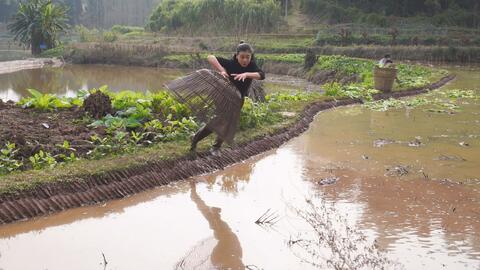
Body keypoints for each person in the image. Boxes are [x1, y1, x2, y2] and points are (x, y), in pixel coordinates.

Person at [189, 41, 265, 154]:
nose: (245, 60)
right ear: (236, 55)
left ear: (251, 57)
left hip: (238, 99)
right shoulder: (230, 63)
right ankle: (197, 139)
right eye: (242, 57)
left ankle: (215, 146)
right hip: (224, 96)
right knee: (219, 121)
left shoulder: (251, 65)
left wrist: (246, 74)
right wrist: (222, 70)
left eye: (247, 57)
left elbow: (262, 75)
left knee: (228, 123)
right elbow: (210, 57)